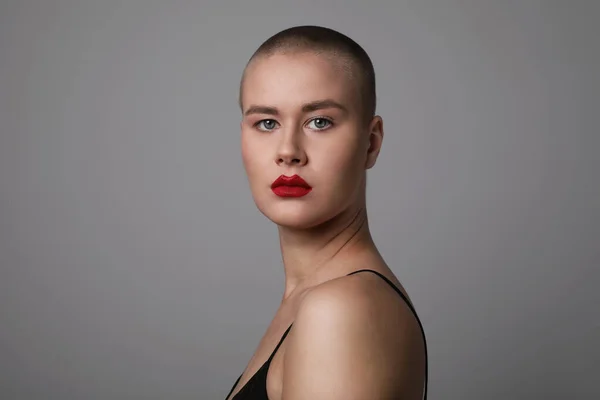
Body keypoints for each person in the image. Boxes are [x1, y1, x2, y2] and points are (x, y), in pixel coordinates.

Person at [225, 25, 428, 400]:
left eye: (319, 121)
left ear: (371, 142)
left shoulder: (340, 309)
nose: (288, 150)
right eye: (266, 123)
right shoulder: (313, 299)